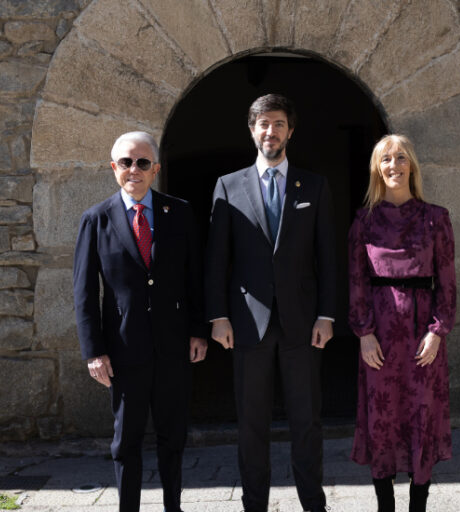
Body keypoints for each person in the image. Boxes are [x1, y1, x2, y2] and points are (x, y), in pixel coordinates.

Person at [205, 94, 336, 512]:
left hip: (303, 323)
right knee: (252, 424)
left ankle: (313, 504)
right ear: (252, 130)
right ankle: (254, 505)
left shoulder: (314, 185)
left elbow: (327, 256)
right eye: (263, 124)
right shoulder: (228, 185)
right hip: (247, 323)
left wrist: (327, 315)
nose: (270, 131)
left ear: (290, 131)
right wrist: (218, 316)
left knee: (306, 421)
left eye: (278, 123)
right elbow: (217, 258)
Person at [73, 131, 208, 512]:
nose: (134, 169)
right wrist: (94, 352)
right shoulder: (96, 220)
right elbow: (84, 292)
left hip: (173, 346)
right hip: (123, 350)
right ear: (113, 168)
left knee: (173, 437)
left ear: (155, 169)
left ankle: (172, 507)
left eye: (143, 163)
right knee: (126, 442)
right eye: (126, 162)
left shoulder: (179, 212)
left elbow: (194, 278)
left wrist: (198, 331)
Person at [347, 134, 457, 512]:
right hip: (379, 337)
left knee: (421, 416)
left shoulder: (436, 218)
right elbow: (357, 282)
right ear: (377, 169)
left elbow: (447, 281)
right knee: (382, 418)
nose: (393, 165)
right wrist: (363, 333)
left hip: (422, 335)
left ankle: (418, 506)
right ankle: (385, 506)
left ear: (412, 165)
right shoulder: (364, 221)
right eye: (386, 159)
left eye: (401, 158)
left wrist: (438, 331)